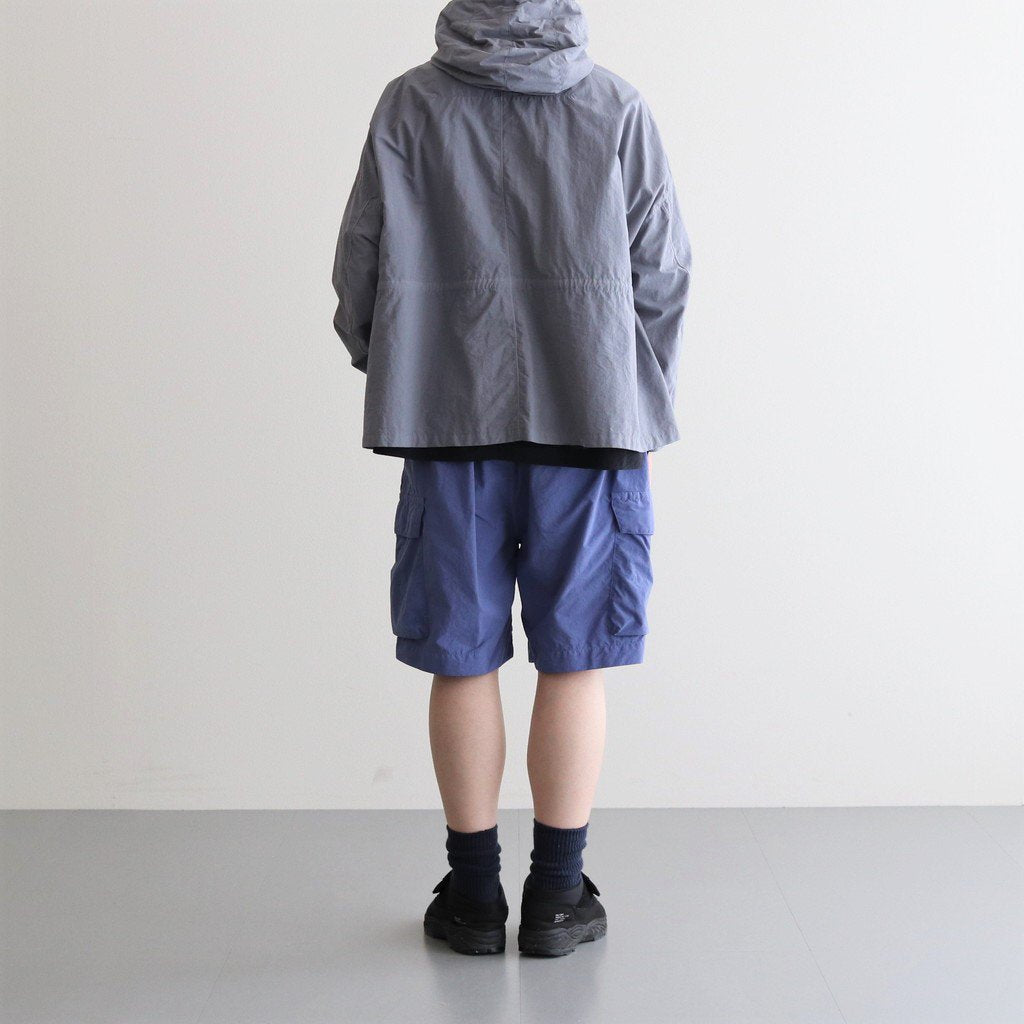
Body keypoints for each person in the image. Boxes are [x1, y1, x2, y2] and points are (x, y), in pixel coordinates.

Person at [331, 0, 691, 957]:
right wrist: (630, 388)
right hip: (591, 421)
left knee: (462, 653)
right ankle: (559, 898)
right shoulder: (616, 107)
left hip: (448, 421)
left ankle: (474, 896)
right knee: (573, 658)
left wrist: (404, 366)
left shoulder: (409, 106)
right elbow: (663, 273)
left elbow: (359, 264)